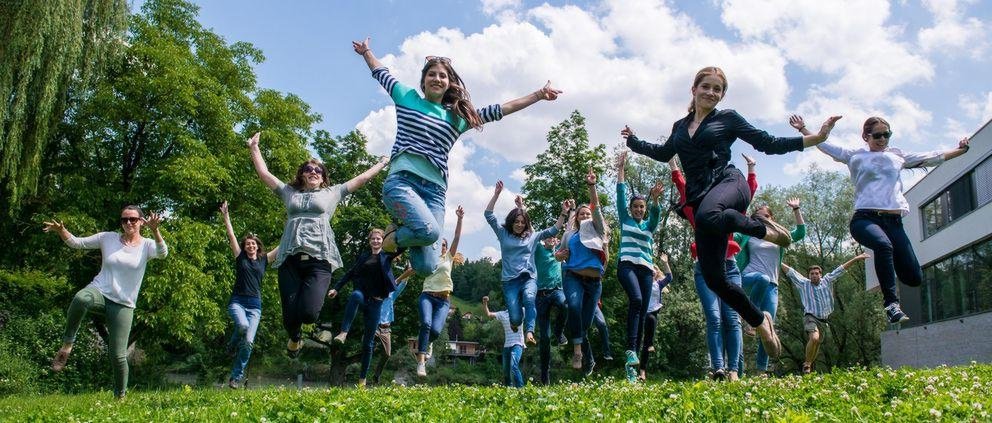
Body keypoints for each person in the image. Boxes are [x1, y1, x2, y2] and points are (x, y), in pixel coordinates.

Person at [622, 66, 841, 362]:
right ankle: (759, 320)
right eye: (706, 87)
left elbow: (768, 143)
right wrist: (633, 141)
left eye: (718, 89)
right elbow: (662, 153)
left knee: (709, 215)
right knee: (714, 277)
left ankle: (762, 227)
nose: (711, 93)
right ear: (694, 89)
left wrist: (814, 139)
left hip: (729, 183)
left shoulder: (728, 119)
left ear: (722, 95)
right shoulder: (679, 127)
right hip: (703, 200)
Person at [352, 37, 561, 276]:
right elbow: (381, 73)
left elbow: (500, 110)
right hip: (402, 182)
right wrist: (367, 52)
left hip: (435, 192)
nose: (437, 79)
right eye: (432, 74)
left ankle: (406, 231)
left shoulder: (457, 118)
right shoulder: (405, 97)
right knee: (429, 233)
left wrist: (538, 94)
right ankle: (393, 238)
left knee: (427, 267)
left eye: (442, 76)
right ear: (423, 81)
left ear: (449, 83)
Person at [798, 115, 970, 323]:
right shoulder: (854, 155)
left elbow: (933, 156)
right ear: (866, 136)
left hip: (894, 223)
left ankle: (891, 265)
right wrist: (804, 130)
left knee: (913, 277)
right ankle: (891, 305)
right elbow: (824, 145)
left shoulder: (898, 156)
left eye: (887, 135)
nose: (882, 140)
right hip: (865, 219)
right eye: (877, 135)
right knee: (883, 245)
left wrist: (960, 150)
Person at [247, 131, 390, 359]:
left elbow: (361, 179)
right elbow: (264, 174)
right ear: (302, 175)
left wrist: (381, 163)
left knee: (309, 314)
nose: (313, 172)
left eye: (318, 170)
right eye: (308, 169)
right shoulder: (289, 193)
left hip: (319, 260)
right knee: (289, 317)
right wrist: (254, 148)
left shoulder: (332, 193)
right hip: (290, 260)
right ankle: (294, 338)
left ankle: (306, 329)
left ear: (323, 177)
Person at [45, 206, 167, 399]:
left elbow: (163, 253)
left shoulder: (147, 245)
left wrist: (155, 230)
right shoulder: (107, 238)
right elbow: (77, 243)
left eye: (133, 219)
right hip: (100, 292)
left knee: (117, 356)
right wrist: (62, 231)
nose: (128, 223)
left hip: (124, 304)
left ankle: (120, 396)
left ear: (141, 222)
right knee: (81, 298)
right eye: (124, 219)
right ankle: (67, 345)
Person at [671, 155, 756, 381]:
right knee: (715, 318)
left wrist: (751, 168)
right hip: (705, 268)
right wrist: (673, 161)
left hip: (729, 266)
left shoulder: (727, 204)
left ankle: (734, 371)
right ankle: (718, 368)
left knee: (733, 318)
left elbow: (747, 192)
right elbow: (681, 184)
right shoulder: (695, 210)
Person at [485, 181, 568, 345]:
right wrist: (496, 194)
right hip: (509, 282)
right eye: (517, 222)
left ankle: (529, 332)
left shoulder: (532, 236)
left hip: (529, 277)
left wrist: (564, 213)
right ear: (511, 222)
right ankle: (515, 323)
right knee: (515, 317)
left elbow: (553, 230)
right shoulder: (503, 234)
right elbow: (489, 215)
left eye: (523, 222)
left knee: (530, 298)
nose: (520, 225)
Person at [734, 198, 806, 375]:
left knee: (768, 329)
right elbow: (732, 236)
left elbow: (800, 232)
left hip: (772, 286)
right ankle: (750, 323)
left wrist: (796, 209)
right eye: (757, 217)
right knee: (762, 279)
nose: (762, 220)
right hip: (748, 278)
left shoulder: (780, 237)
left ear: (771, 218)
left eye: (765, 216)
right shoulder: (748, 234)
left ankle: (761, 371)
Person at [327, 229, 405, 387]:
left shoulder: (387, 256)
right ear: (369, 241)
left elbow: (402, 247)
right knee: (355, 295)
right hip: (363, 297)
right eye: (373, 239)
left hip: (376, 303)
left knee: (368, 343)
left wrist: (401, 230)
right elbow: (350, 273)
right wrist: (336, 288)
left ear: (383, 240)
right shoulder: (364, 257)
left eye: (379, 239)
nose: (376, 241)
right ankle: (343, 333)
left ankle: (362, 379)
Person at [219, 201, 280, 389]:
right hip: (237, 302)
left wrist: (294, 224)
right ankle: (231, 346)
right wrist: (226, 217)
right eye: (247, 244)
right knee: (243, 326)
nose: (250, 246)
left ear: (257, 246)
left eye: (253, 244)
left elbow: (282, 244)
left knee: (248, 343)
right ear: (245, 247)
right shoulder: (240, 258)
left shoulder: (264, 260)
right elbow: (231, 236)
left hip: (255, 306)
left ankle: (235, 377)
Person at [614, 150, 665, 374]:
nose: (638, 209)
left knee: (643, 310)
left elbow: (656, 214)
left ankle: (633, 366)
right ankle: (630, 351)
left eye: (642, 207)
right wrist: (621, 169)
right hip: (627, 266)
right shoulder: (625, 219)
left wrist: (654, 199)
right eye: (635, 206)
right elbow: (621, 194)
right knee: (635, 299)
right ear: (631, 209)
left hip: (645, 269)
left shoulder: (649, 225)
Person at [781, 252, 870, 374]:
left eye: (816, 274)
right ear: (809, 275)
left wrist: (856, 259)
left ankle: (809, 363)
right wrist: (777, 259)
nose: (814, 276)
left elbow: (841, 269)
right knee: (814, 337)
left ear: (820, 275)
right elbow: (790, 272)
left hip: (823, 320)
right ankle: (807, 364)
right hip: (810, 316)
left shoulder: (827, 280)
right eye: (811, 274)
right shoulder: (804, 283)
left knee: (817, 344)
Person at [559, 169, 610, 375]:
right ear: (577, 218)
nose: (586, 215)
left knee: (586, 323)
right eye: (582, 214)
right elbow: (559, 254)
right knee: (573, 305)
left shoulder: (598, 230)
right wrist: (558, 256)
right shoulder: (570, 235)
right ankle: (578, 351)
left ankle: (588, 357)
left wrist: (592, 186)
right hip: (573, 277)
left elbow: (596, 206)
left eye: (588, 213)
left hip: (594, 282)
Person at [415, 206, 466, 377]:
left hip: (444, 300)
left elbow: (457, 237)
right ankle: (421, 362)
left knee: (435, 331)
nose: (442, 247)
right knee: (426, 324)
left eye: (444, 245)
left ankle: (426, 343)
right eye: (440, 245)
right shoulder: (429, 259)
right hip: (427, 296)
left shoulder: (448, 258)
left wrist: (459, 218)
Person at [370, 264, 415, 385]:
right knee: (368, 346)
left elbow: (402, 284)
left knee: (387, 354)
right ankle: (363, 374)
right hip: (375, 326)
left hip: (386, 329)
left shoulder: (392, 295)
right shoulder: (376, 292)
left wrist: (408, 272)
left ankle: (376, 376)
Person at [534, 235, 570, 385]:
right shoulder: (539, 249)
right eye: (547, 237)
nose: (550, 239)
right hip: (541, 295)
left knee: (565, 305)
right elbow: (532, 235)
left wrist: (570, 211)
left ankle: (559, 331)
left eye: (553, 238)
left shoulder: (560, 252)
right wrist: (522, 210)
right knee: (545, 338)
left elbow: (569, 228)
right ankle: (545, 375)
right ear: (544, 240)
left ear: (556, 241)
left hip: (557, 291)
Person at [638, 255, 673, 382]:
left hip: (652, 313)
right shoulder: (641, 282)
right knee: (638, 340)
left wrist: (665, 263)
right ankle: (632, 366)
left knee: (646, 344)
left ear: (656, 273)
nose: (652, 270)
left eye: (655, 269)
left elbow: (669, 277)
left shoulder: (658, 284)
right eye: (650, 268)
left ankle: (642, 372)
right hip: (641, 313)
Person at [483, 296, 526, 388]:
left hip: (518, 344)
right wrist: (485, 303)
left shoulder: (521, 310)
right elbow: (488, 314)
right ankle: (508, 388)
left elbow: (532, 311)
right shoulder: (502, 314)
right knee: (506, 370)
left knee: (513, 366)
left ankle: (521, 388)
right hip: (507, 346)